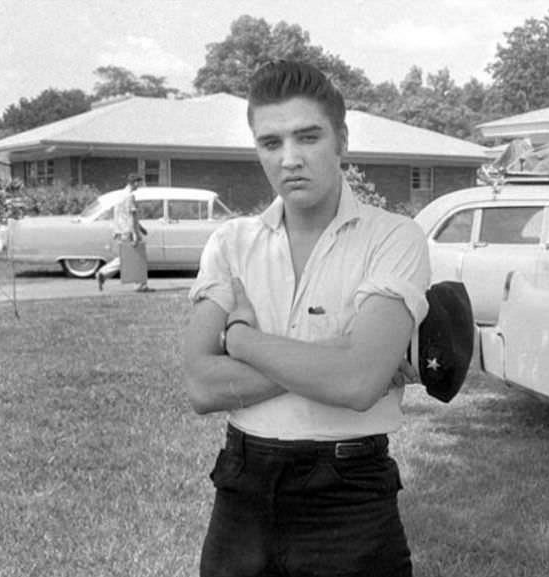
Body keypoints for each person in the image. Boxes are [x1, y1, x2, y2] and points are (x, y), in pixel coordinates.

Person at [182, 60, 430, 577]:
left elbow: (359, 385)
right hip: (243, 487)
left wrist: (244, 340)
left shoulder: (392, 238)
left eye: (308, 136)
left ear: (341, 139)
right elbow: (203, 388)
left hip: (349, 492)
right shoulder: (231, 243)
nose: (289, 159)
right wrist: (337, 356)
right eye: (270, 143)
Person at [96, 173, 152, 292]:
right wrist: (136, 233)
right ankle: (140, 285)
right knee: (137, 257)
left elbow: (123, 214)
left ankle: (103, 273)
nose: (140, 186)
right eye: (139, 183)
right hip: (129, 231)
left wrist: (141, 228)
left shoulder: (121, 195)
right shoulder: (129, 196)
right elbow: (131, 216)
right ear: (135, 183)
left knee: (126, 257)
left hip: (121, 230)